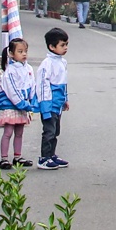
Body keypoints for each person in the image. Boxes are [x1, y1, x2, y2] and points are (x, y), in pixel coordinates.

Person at [0, 37, 39, 169]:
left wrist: (33, 100)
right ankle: (4, 158)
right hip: (11, 105)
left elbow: (32, 85)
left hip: (23, 105)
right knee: (8, 132)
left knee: (19, 132)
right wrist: (22, 103)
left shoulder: (28, 68)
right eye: (20, 51)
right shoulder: (10, 71)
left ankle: (17, 156)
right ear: (11, 53)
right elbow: (11, 90)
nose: (24, 54)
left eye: (25, 51)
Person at [35, 27, 70, 169]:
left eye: (66, 44)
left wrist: (65, 99)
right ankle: (44, 157)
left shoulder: (63, 62)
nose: (65, 48)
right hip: (49, 103)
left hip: (58, 103)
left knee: (55, 131)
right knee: (49, 131)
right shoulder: (46, 65)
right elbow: (42, 85)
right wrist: (45, 106)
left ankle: (52, 155)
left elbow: (64, 82)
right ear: (51, 46)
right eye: (62, 45)